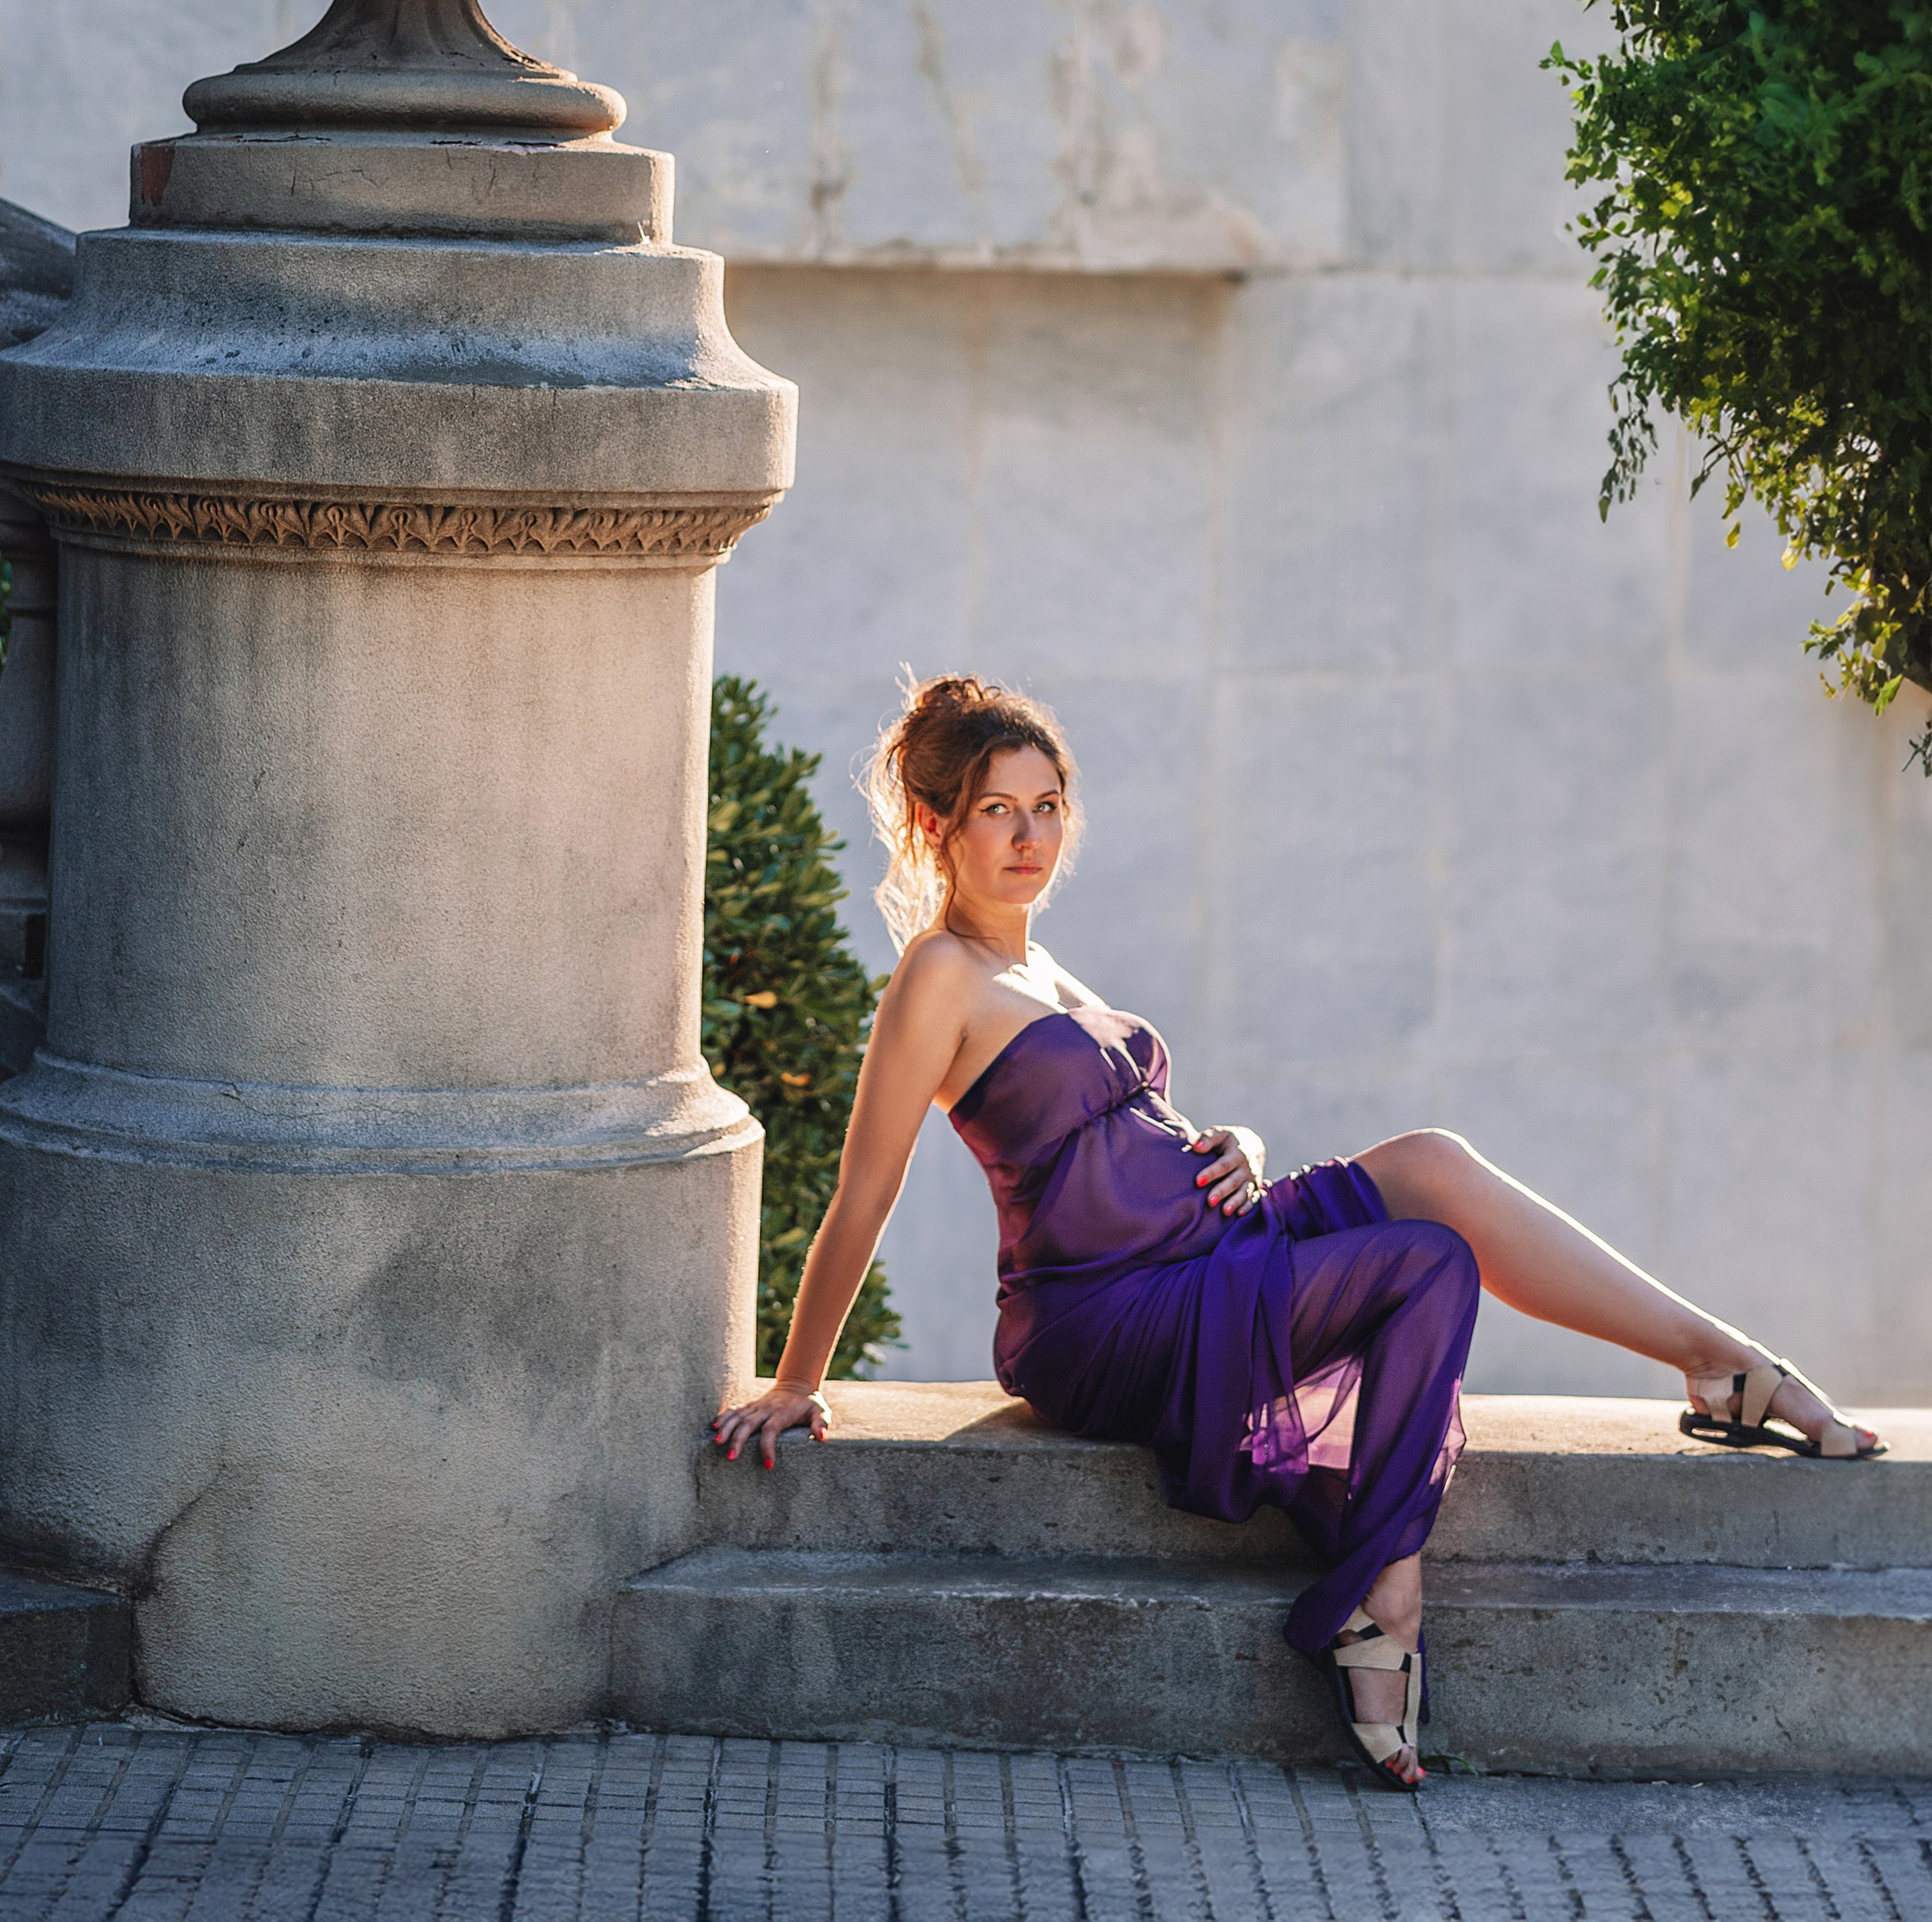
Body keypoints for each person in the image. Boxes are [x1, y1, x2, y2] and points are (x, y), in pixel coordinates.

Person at [711, 675, 1885, 1790]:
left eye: (1049, 807)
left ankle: (1718, 1358)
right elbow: (867, 1186)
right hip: (1110, 1311)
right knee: (1427, 1263)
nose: (1030, 837)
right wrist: (798, 1376)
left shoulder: (1043, 961)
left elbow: (1129, 1125)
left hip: (1202, 1245)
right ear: (936, 824)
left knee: (1431, 1164)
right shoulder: (940, 975)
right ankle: (1386, 1595)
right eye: (996, 812)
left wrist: (1245, 1141)